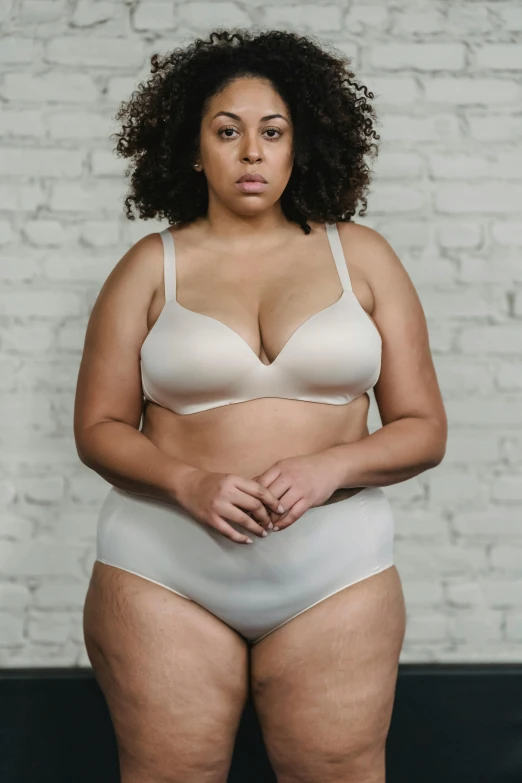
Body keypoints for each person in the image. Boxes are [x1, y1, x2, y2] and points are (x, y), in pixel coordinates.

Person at [74, 28, 447, 783]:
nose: (251, 152)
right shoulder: (151, 267)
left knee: (338, 771)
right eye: (227, 131)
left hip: (336, 568)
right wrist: (189, 482)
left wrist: (329, 466)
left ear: (298, 145)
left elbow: (424, 429)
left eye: (272, 132)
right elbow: (97, 428)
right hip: (164, 566)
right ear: (192, 149)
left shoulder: (362, 255)